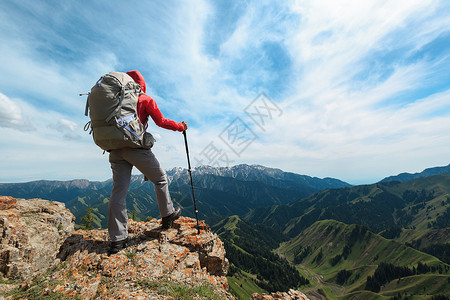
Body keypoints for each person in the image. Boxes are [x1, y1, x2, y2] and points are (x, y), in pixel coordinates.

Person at [107, 70, 187, 255]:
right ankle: (167, 215)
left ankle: (117, 240)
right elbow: (161, 121)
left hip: (115, 150)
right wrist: (180, 127)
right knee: (160, 178)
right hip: (135, 148)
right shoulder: (144, 99)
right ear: (141, 84)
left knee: (119, 190)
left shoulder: (114, 99)